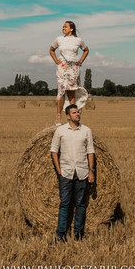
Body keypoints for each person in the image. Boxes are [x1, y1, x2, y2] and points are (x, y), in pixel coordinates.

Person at [49, 103, 94, 242]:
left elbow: (90, 151)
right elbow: (54, 151)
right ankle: (61, 235)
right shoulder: (61, 131)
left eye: (78, 112)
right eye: (74, 113)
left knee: (80, 204)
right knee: (65, 204)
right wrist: (59, 171)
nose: (78, 114)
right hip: (66, 173)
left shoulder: (86, 131)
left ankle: (78, 235)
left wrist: (91, 171)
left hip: (82, 172)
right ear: (68, 116)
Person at [50, 20, 89, 125]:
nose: (63, 28)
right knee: (61, 92)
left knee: (71, 93)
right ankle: (58, 117)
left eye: (65, 27)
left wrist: (80, 61)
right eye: (63, 27)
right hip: (62, 68)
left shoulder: (78, 40)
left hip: (73, 68)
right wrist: (56, 60)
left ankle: (71, 117)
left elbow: (86, 50)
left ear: (71, 29)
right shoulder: (59, 39)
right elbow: (51, 50)